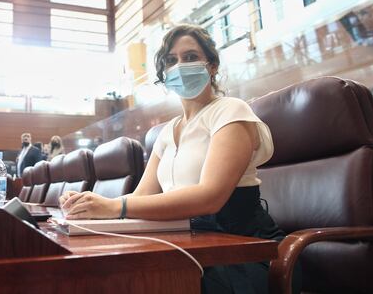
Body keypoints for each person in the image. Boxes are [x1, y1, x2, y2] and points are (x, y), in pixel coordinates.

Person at [60, 24, 298, 293]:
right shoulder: (166, 132)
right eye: (171, 60)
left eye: (191, 57)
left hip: (241, 251)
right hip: (188, 242)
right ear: (164, 74)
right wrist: (90, 206)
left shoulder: (231, 111)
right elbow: (140, 196)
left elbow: (211, 197)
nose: (180, 66)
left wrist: (115, 207)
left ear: (213, 66)